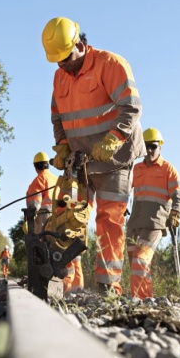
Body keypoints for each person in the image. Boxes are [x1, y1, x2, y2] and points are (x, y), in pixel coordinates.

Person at [42, 17, 144, 295]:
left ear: (80, 44)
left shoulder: (110, 64)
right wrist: (62, 146)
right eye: (57, 60)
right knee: (68, 220)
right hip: (80, 162)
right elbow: (57, 118)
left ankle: (108, 286)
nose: (63, 64)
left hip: (116, 160)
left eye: (66, 57)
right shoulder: (60, 74)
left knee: (109, 221)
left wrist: (114, 139)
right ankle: (67, 285)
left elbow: (131, 107)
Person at [126, 128, 180, 299]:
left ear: (160, 147)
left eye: (153, 146)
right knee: (135, 263)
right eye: (146, 147)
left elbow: (178, 194)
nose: (149, 150)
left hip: (154, 223)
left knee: (140, 259)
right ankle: (145, 297)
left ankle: (141, 300)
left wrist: (175, 212)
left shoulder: (168, 169)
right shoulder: (136, 169)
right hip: (134, 222)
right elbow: (124, 190)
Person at [26, 152, 58, 233]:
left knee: (40, 242)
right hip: (58, 216)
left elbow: (34, 204)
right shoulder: (56, 179)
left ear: (35, 166)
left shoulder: (38, 180)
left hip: (44, 217)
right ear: (48, 165)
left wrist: (30, 217)